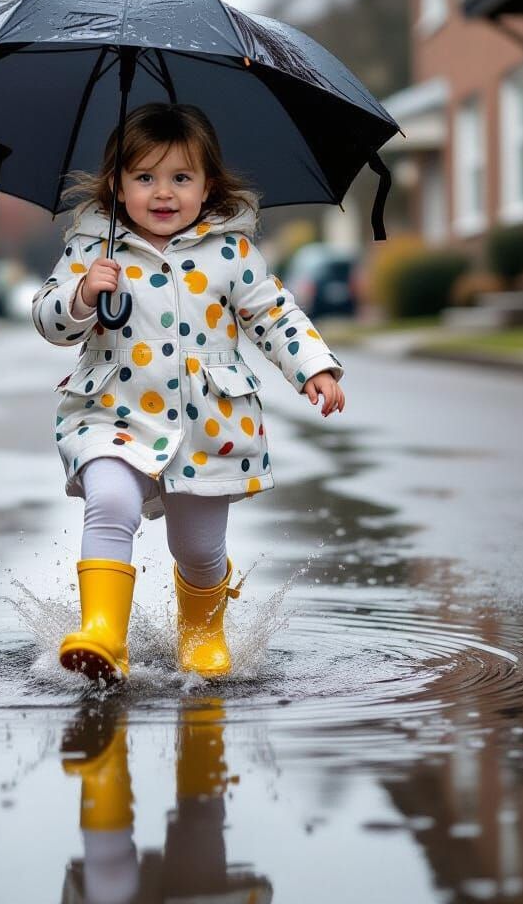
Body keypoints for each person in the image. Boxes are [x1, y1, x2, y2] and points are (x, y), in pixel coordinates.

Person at [31, 102, 345, 683]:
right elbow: (50, 322)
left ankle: (202, 635)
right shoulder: (92, 248)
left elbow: (274, 315)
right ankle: (103, 633)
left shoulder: (231, 252)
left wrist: (313, 367)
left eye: (180, 177)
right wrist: (82, 294)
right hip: (112, 411)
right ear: (117, 185)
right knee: (111, 502)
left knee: (198, 548)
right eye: (144, 176)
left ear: (208, 186)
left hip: (208, 423)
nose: (163, 192)